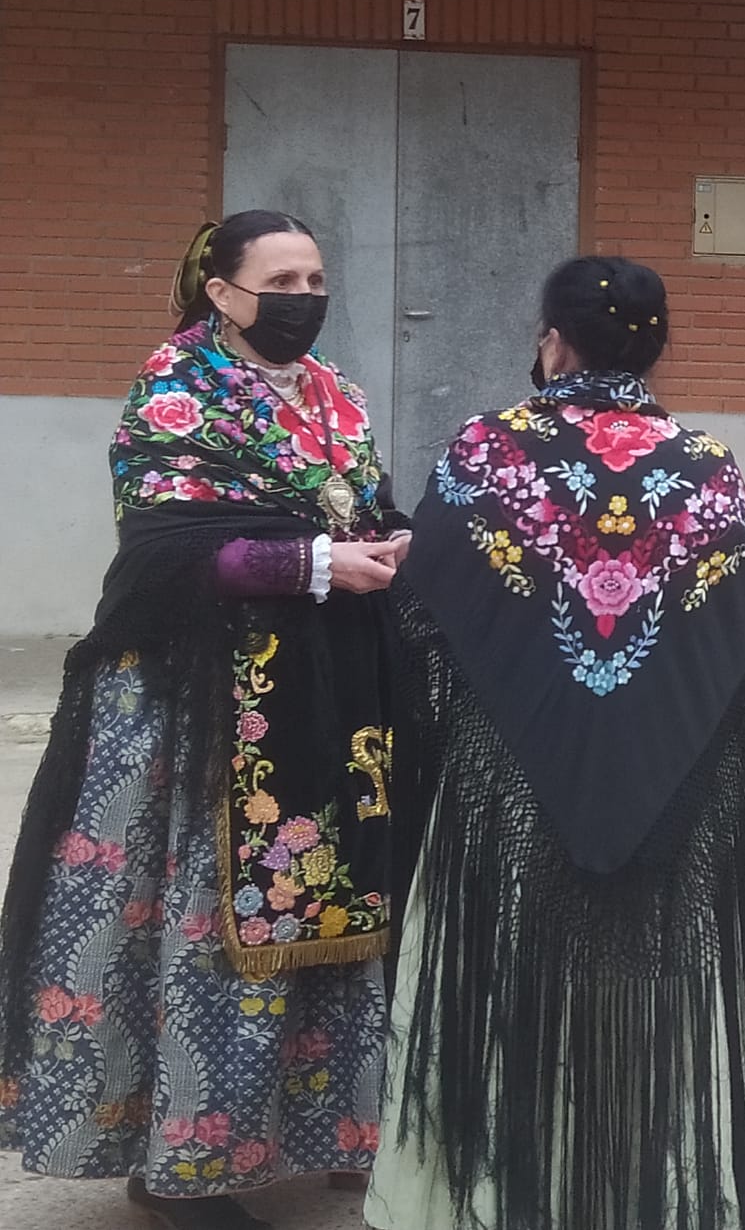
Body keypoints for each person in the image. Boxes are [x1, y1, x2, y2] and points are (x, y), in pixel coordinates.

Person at [0, 211, 408, 1230]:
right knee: (202, 919)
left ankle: (331, 1133)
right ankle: (183, 1160)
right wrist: (314, 562)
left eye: (316, 275)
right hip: (202, 700)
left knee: (336, 899)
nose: (305, 295)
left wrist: (392, 542)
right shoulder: (174, 390)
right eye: (282, 277)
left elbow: (365, 502)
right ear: (221, 291)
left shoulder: (336, 397)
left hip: (324, 690)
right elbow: (165, 551)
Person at [365, 256, 745, 1230]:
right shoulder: (704, 463)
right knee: (637, 981)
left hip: (509, 768)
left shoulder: (487, 452)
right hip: (666, 774)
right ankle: (632, 1187)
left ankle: (509, 1181)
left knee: (511, 967)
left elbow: (424, 610)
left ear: (552, 340)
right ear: (659, 345)